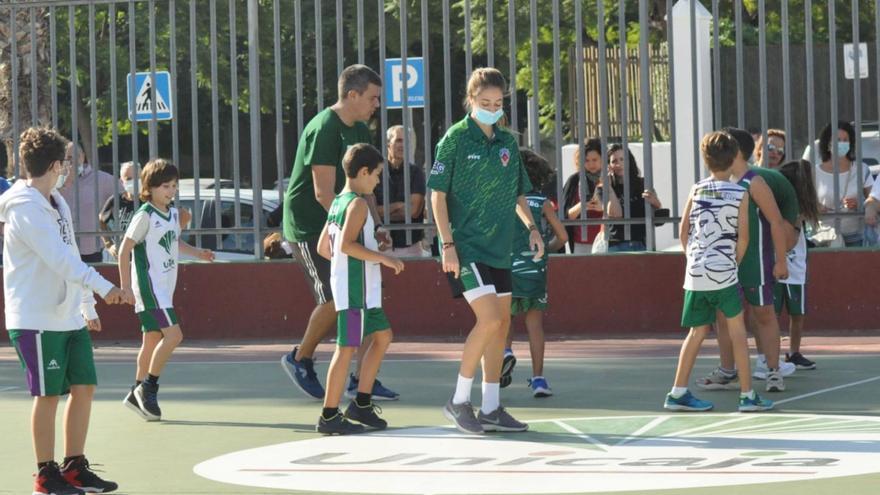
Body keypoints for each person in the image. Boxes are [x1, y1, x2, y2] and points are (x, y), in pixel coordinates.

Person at [0, 127, 126, 494]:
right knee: (48, 396)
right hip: (36, 318)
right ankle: (45, 474)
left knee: (84, 387)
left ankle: (74, 467)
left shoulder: (56, 200)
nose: (69, 167)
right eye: (66, 162)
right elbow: (58, 261)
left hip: (68, 316)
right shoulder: (25, 208)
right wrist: (105, 288)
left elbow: (71, 252)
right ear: (55, 164)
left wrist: (86, 304)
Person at [429, 67, 544, 434]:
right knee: (491, 320)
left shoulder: (508, 143)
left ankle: (491, 407)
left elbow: (518, 194)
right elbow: (437, 194)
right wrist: (447, 244)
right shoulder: (455, 139)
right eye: (485, 103)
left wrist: (531, 228)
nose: (492, 108)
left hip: (499, 249)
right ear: (471, 100)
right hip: (465, 247)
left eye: (497, 103)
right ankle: (459, 400)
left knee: (503, 325)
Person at [281, 64, 398, 401]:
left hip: (346, 221)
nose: (377, 104)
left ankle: (362, 376)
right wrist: (355, 228)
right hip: (308, 225)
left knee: (364, 296)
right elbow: (322, 193)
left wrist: (375, 227)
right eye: (373, 98)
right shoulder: (325, 128)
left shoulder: (360, 128)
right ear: (352, 95)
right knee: (335, 300)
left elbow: (365, 185)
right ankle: (300, 358)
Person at [665, 130, 773, 413]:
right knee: (737, 331)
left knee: (696, 331)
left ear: (705, 159)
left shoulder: (696, 189)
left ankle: (678, 391)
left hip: (696, 273)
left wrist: (692, 258)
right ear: (735, 157)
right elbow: (745, 238)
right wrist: (731, 264)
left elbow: (683, 230)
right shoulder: (740, 192)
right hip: (723, 272)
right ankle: (748, 395)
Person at [698, 127, 799, 393]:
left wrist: (781, 261)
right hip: (726, 263)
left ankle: (773, 370)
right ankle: (727, 369)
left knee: (763, 313)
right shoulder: (718, 183)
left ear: (736, 152)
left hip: (756, 261)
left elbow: (776, 222)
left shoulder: (755, 182)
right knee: (724, 315)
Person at [314, 144, 404, 434]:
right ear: (363, 172)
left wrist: (366, 251)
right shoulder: (358, 204)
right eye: (376, 175)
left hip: (360, 291)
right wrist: (383, 258)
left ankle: (361, 404)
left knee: (382, 336)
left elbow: (324, 248)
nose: (377, 181)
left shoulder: (339, 202)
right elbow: (345, 246)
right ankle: (329, 415)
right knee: (346, 349)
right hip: (356, 293)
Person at [118, 159, 215, 421]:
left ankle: (135, 391)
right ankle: (149, 387)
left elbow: (174, 243)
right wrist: (125, 286)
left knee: (151, 340)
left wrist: (199, 253)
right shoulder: (145, 215)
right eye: (164, 186)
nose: (170, 191)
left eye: (173, 186)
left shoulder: (172, 214)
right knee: (174, 336)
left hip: (164, 289)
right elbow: (124, 249)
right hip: (150, 290)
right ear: (149, 188)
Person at [500, 149, 568, 398]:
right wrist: (545, 251)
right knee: (534, 324)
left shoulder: (505, 200)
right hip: (535, 270)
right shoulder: (543, 203)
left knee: (505, 318)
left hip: (508, 267)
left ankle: (505, 354)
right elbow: (562, 237)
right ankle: (538, 379)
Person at [776, 160, 820, 370]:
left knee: (797, 313)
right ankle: (769, 355)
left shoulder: (800, 208)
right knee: (771, 313)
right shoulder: (777, 204)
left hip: (796, 265)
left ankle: (794, 352)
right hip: (776, 264)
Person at [813, 121, 874, 247]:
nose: (841, 143)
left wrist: (860, 204)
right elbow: (804, 202)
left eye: (845, 140)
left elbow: (874, 199)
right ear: (827, 143)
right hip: (825, 239)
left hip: (857, 238)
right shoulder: (814, 172)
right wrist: (815, 207)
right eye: (837, 139)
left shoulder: (862, 170)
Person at [375, 125, 429, 257]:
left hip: (411, 246)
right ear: (388, 144)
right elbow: (372, 211)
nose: (403, 145)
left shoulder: (416, 172)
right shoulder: (376, 172)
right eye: (399, 140)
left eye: (406, 141)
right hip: (381, 247)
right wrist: (399, 206)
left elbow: (414, 212)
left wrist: (384, 214)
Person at [59, 142, 117, 263]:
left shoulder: (102, 179)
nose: (73, 161)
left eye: (77, 156)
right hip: (62, 248)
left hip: (93, 249)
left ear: (83, 157)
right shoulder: (55, 182)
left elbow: (125, 198)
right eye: (69, 158)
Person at [604, 143, 663, 252]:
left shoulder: (642, 183)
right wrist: (609, 187)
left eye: (622, 159)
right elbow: (616, 215)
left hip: (641, 244)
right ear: (609, 165)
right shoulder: (604, 188)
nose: (619, 164)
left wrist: (655, 202)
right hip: (616, 245)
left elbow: (658, 215)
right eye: (614, 161)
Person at [562, 138, 603, 254]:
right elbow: (564, 216)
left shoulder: (610, 179)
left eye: (594, 160)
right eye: (586, 160)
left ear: (602, 159)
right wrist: (582, 206)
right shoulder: (574, 181)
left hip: (608, 241)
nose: (591, 164)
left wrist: (603, 207)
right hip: (580, 242)